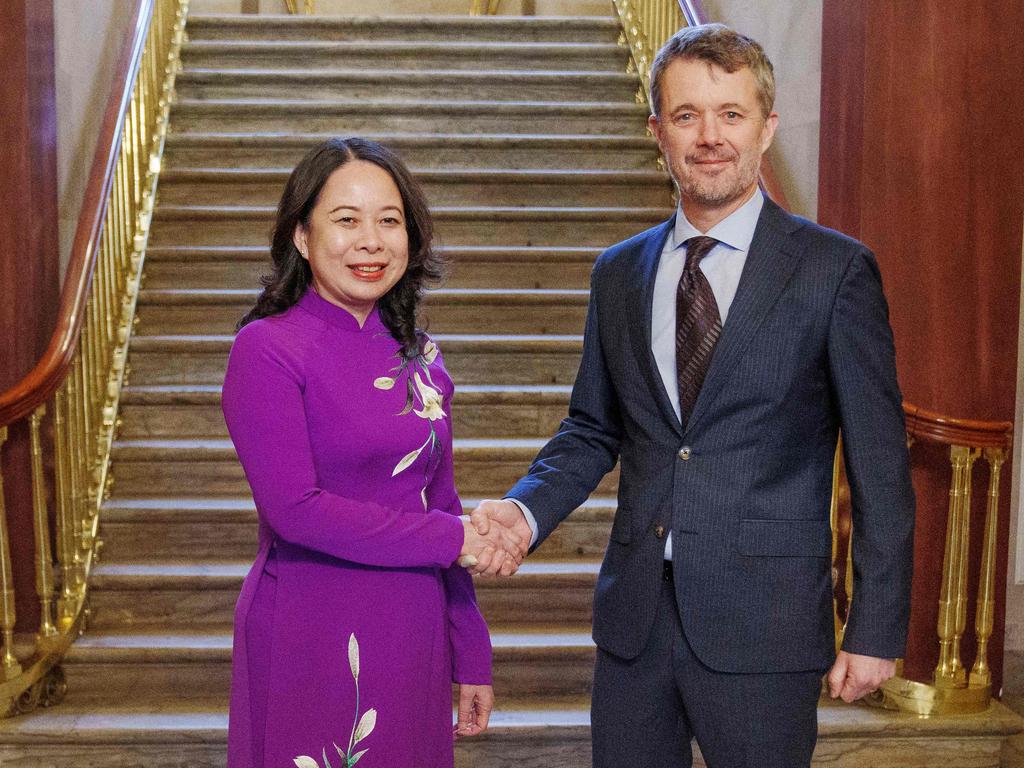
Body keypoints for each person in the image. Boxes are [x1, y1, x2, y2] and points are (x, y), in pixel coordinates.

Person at [469, 23, 915, 768]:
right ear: (658, 132)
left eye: (731, 114)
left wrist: (875, 627)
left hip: (765, 625)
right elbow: (590, 429)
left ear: (766, 127)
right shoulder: (619, 273)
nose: (710, 137)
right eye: (686, 116)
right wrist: (523, 510)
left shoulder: (835, 272)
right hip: (635, 621)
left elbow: (878, 464)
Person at [221, 137, 524, 767]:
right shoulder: (266, 350)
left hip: (412, 628)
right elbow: (294, 509)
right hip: (311, 623)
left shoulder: (422, 358)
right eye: (346, 220)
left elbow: (441, 502)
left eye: (389, 221)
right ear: (302, 237)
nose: (371, 240)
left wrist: (472, 649)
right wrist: (453, 539)